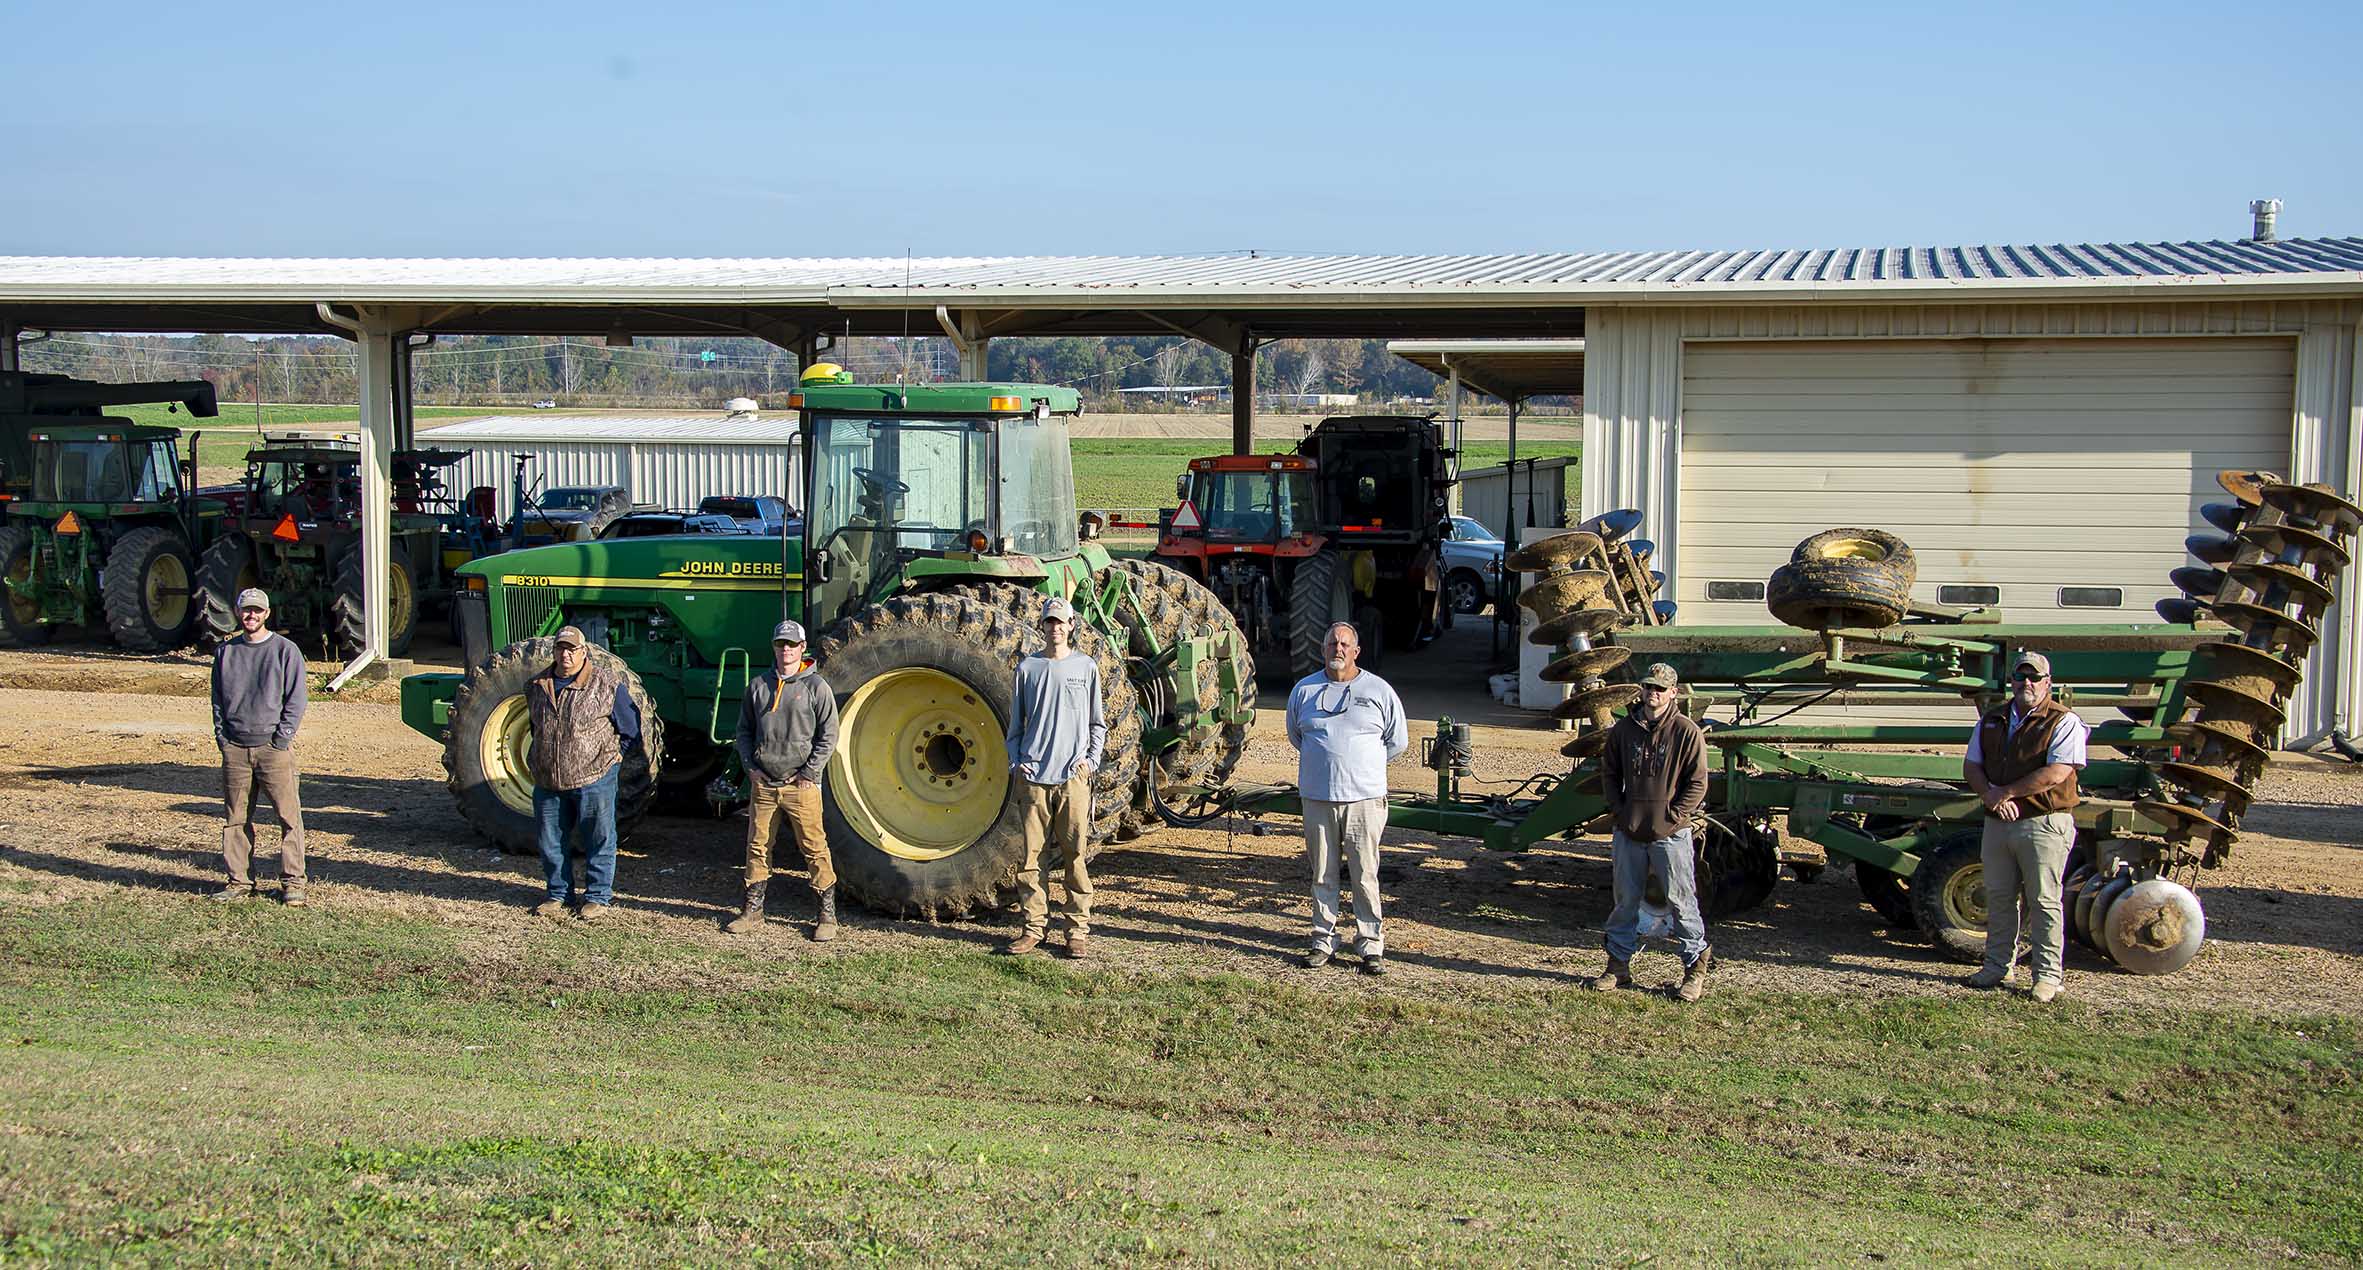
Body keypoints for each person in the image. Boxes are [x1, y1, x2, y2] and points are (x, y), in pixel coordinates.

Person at [1963, 651, 2090, 1003]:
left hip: (2043, 822)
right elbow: (1972, 765)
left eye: (2034, 678)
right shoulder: (1993, 719)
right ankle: (1997, 966)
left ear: (2048, 683)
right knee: (2000, 897)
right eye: (2021, 677)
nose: (2027, 684)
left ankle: (2047, 976)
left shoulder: (2064, 721)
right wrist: (1989, 796)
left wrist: (2004, 793)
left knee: (2043, 900)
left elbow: (2057, 772)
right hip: (1997, 822)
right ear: (2012, 682)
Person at [1285, 620, 1409, 976]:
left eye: (1344, 645)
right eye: (1331, 644)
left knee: (1365, 873)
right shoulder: (1304, 691)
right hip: (1318, 799)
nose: (1337, 650)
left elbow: (1396, 741)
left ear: (1356, 651)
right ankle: (1323, 940)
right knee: (1322, 874)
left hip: (1364, 801)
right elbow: (1297, 735)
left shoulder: (1379, 691)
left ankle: (1370, 944)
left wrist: (1360, 766)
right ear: (1323, 650)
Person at [1592, 661, 1713, 1001]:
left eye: (1660, 689)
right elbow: (1610, 775)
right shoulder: (1623, 731)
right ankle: (1618, 966)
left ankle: (1694, 970)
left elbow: (1698, 782)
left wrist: (1673, 816)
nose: (1653, 693)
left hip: (1670, 833)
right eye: (1648, 687)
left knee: (1681, 901)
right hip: (1630, 830)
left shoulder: (1686, 732)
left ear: (1674, 692)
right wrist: (1620, 811)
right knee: (1625, 901)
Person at [999, 596, 1105, 958]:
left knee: (1075, 854)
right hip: (1034, 777)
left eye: (1061, 622)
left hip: (1072, 779)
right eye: (1050, 622)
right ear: (1042, 626)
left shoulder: (1085, 667)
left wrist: (1091, 760)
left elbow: (1097, 724)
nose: (1055, 628)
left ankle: (1077, 931)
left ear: (1071, 626)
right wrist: (1016, 762)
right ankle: (1033, 928)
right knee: (1032, 857)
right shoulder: (1028, 668)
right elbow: (1015, 727)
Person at [726, 619, 840, 940]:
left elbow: (829, 735)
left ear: (803, 648)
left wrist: (808, 773)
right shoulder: (758, 686)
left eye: (792, 644)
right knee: (757, 846)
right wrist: (750, 767)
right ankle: (752, 912)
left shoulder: (816, 687)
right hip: (764, 785)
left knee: (814, 848)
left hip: (800, 786)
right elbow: (744, 732)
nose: (786, 649)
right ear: (774, 647)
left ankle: (827, 917)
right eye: (781, 644)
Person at [527, 625, 642, 922]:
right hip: (548, 779)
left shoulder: (606, 684)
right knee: (550, 839)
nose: (566, 655)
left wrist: (613, 760)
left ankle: (597, 896)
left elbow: (630, 728)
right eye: (560, 649)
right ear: (554, 652)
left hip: (594, 776)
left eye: (572, 649)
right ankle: (557, 893)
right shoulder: (537, 685)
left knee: (599, 836)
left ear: (584, 651)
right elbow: (534, 727)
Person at [210, 587, 309, 906]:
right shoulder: (225, 652)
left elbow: (296, 700)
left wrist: (281, 739)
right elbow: (217, 701)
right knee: (235, 819)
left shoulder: (285, 650)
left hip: (272, 750)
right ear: (238, 613)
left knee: (289, 817)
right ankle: (239, 881)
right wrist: (223, 740)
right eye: (246, 610)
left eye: (257, 611)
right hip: (236, 750)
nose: (251, 616)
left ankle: (293, 882)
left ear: (267, 614)